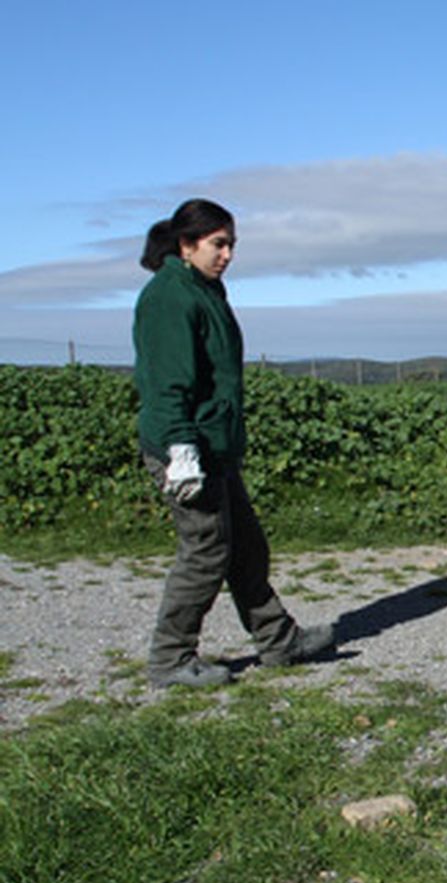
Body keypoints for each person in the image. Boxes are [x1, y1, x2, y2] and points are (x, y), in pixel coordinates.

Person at [132, 198, 335, 687]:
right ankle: (170, 660)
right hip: (186, 446)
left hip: (213, 444)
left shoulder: (205, 289)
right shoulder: (170, 296)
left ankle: (278, 642)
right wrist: (181, 450)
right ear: (187, 244)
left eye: (231, 245)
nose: (227, 255)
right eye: (218, 244)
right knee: (205, 553)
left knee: (246, 547)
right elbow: (167, 381)